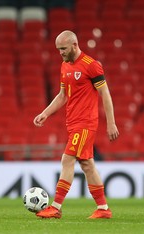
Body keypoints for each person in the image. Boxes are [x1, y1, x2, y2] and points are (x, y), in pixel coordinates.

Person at [33, 30, 119, 219]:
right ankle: (103, 209)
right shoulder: (65, 66)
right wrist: (45, 113)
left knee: (67, 160)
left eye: (63, 48)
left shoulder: (92, 66)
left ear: (74, 45)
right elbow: (63, 95)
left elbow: (105, 94)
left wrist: (111, 123)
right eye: (58, 49)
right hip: (72, 122)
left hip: (85, 123)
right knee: (87, 164)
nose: (60, 53)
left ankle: (55, 207)